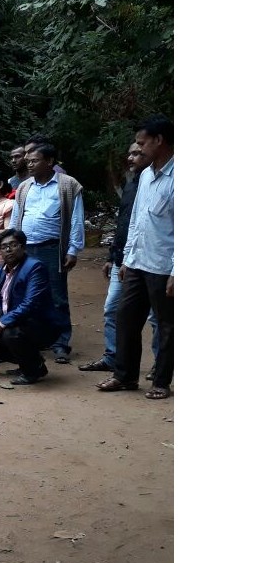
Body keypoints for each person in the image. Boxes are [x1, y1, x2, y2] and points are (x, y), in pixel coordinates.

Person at [97, 116, 174, 399]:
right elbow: (136, 220)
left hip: (164, 265)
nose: (138, 149)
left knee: (166, 325)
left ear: (159, 141)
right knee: (126, 317)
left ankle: (161, 382)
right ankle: (125, 376)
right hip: (138, 261)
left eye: (142, 143)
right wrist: (127, 258)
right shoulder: (145, 176)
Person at [80, 142, 158, 374]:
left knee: (155, 317)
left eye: (137, 153)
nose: (132, 157)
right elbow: (126, 224)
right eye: (130, 153)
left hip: (151, 260)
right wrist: (111, 256)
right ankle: (113, 356)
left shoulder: (157, 184)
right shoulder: (133, 183)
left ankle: (159, 365)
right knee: (112, 309)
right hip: (122, 259)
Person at [9, 143, 85, 364]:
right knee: (26, 295)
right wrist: (13, 245)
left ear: (50, 161)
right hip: (26, 249)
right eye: (28, 161)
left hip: (52, 248)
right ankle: (35, 339)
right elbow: (16, 218)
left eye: (34, 161)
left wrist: (73, 249)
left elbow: (77, 220)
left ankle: (61, 343)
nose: (29, 164)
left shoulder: (68, 185)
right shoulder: (24, 187)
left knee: (57, 296)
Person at [0, 229, 63, 384]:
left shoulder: (35, 267)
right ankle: (32, 362)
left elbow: (30, 303)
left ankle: (32, 371)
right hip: (15, 324)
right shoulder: (0, 271)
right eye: (4, 246)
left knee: (10, 334)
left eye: (13, 245)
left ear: (23, 247)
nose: (8, 249)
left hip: (41, 326)